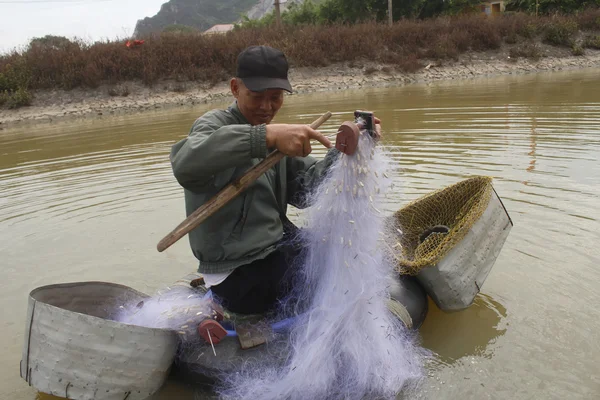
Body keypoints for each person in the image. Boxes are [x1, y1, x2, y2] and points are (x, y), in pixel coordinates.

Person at [169, 45, 340, 315]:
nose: (266, 107)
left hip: (272, 250)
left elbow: (308, 189)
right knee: (332, 281)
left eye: (275, 97)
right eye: (256, 96)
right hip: (238, 271)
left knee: (338, 253)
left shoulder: (279, 138)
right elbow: (186, 163)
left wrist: (343, 153)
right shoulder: (213, 125)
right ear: (235, 88)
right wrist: (264, 137)